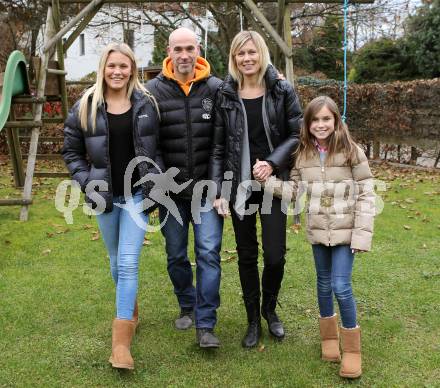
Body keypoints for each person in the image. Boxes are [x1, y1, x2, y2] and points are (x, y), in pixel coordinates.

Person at [62, 42, 162, 370]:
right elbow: (72, 152)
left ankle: (120, 346)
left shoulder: (146, 105)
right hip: (104, 197)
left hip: (136, 195)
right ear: (103, 68)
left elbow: (156, 148)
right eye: (112, 66)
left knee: (129, 262)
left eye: (124, 66)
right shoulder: (85, 106)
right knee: (116, 261)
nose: (117, 72)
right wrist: (88, 181)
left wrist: (154, 179)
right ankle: (130, 308)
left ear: (132, 69)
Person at [265, 95, 375, 378]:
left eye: (327, 119)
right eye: (315, 119)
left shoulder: (351, 151)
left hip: (346, 233)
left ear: (337, 120)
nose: (321, 124)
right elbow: (296, 192)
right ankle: (328, 339)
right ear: (308, 123)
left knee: (341, 286)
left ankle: (351, 349)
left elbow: (366, 193)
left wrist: (361, 235)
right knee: (324, 285)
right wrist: (268, 182)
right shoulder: (303, 154)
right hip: (318, 232)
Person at [209, 31, 302, 348]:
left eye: (251, 52)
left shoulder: (281, 89)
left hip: (273, 185)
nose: (246, 59)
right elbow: (219, 147)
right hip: (239, 187)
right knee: (247, 255)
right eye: (239, 54)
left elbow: (296, 133)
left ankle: (269, 311)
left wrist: (273, 163)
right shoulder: (226, 93)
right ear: (234, 58)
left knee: (275, 256)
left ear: (261, 53)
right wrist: (220, 190)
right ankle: (252, 321)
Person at [146, 27, 223, 348]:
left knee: (208, 254)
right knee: (176, 255)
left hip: (206, 191)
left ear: (198, 49)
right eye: (178, 49)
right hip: (171, 194)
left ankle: (205, 323)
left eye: (189, 48)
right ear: (168, 51)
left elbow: (222, 142)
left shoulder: (217, 89)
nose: (183, 55)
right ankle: (187, 304)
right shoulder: (152, 91)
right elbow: (149, 142)